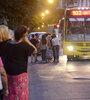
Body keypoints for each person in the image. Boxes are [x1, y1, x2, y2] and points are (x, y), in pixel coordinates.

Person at [0, 25, 37, 100]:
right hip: (20, 76)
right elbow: (35, 50)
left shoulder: (6, 45)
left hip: (8, 75)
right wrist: (26, 40)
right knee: (21, 94)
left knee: (9, 94)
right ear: (24, 35)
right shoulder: (24, 45)